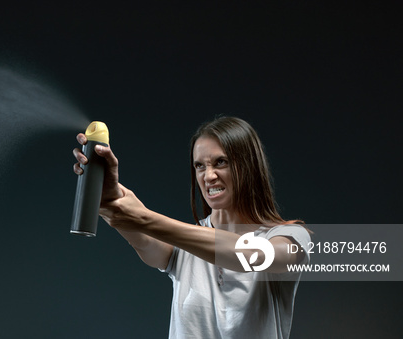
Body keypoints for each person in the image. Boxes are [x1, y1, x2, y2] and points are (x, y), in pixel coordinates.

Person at [71, 116, 311, 339]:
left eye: (221, 162)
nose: (208, 176)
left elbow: (253, 255)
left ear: (249, 166)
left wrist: (143, 217)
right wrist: (110, 196)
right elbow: (144, 239)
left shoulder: (291, 237)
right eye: (199, 166)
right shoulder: (184, 246)